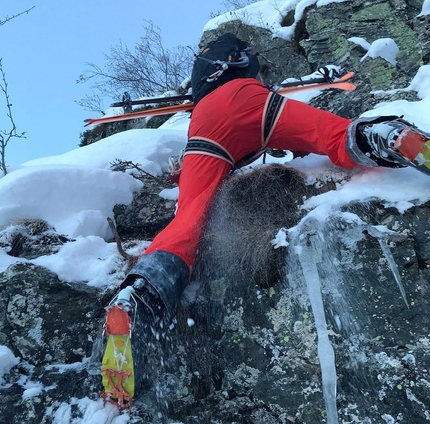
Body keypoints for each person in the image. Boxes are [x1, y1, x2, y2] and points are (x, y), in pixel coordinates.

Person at [101, 34, 430, 408]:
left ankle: (142, 293)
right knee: (333, 135)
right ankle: (390, 136)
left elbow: (229, 150)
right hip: (250, 100)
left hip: (205, 126)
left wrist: (186, 172)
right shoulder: (241, 65)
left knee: (188, 219)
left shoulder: (204, 84)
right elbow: (278, 128)